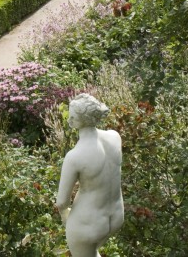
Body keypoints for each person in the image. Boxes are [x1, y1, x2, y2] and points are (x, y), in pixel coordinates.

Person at [55, 93, 124, 257]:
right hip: (115, 217)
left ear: (76, 121)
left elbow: (62, 201)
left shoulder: (75, 156)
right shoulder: (115, 137)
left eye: (72, 116)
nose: (69, 119)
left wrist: (65, 216)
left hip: (87, 224)